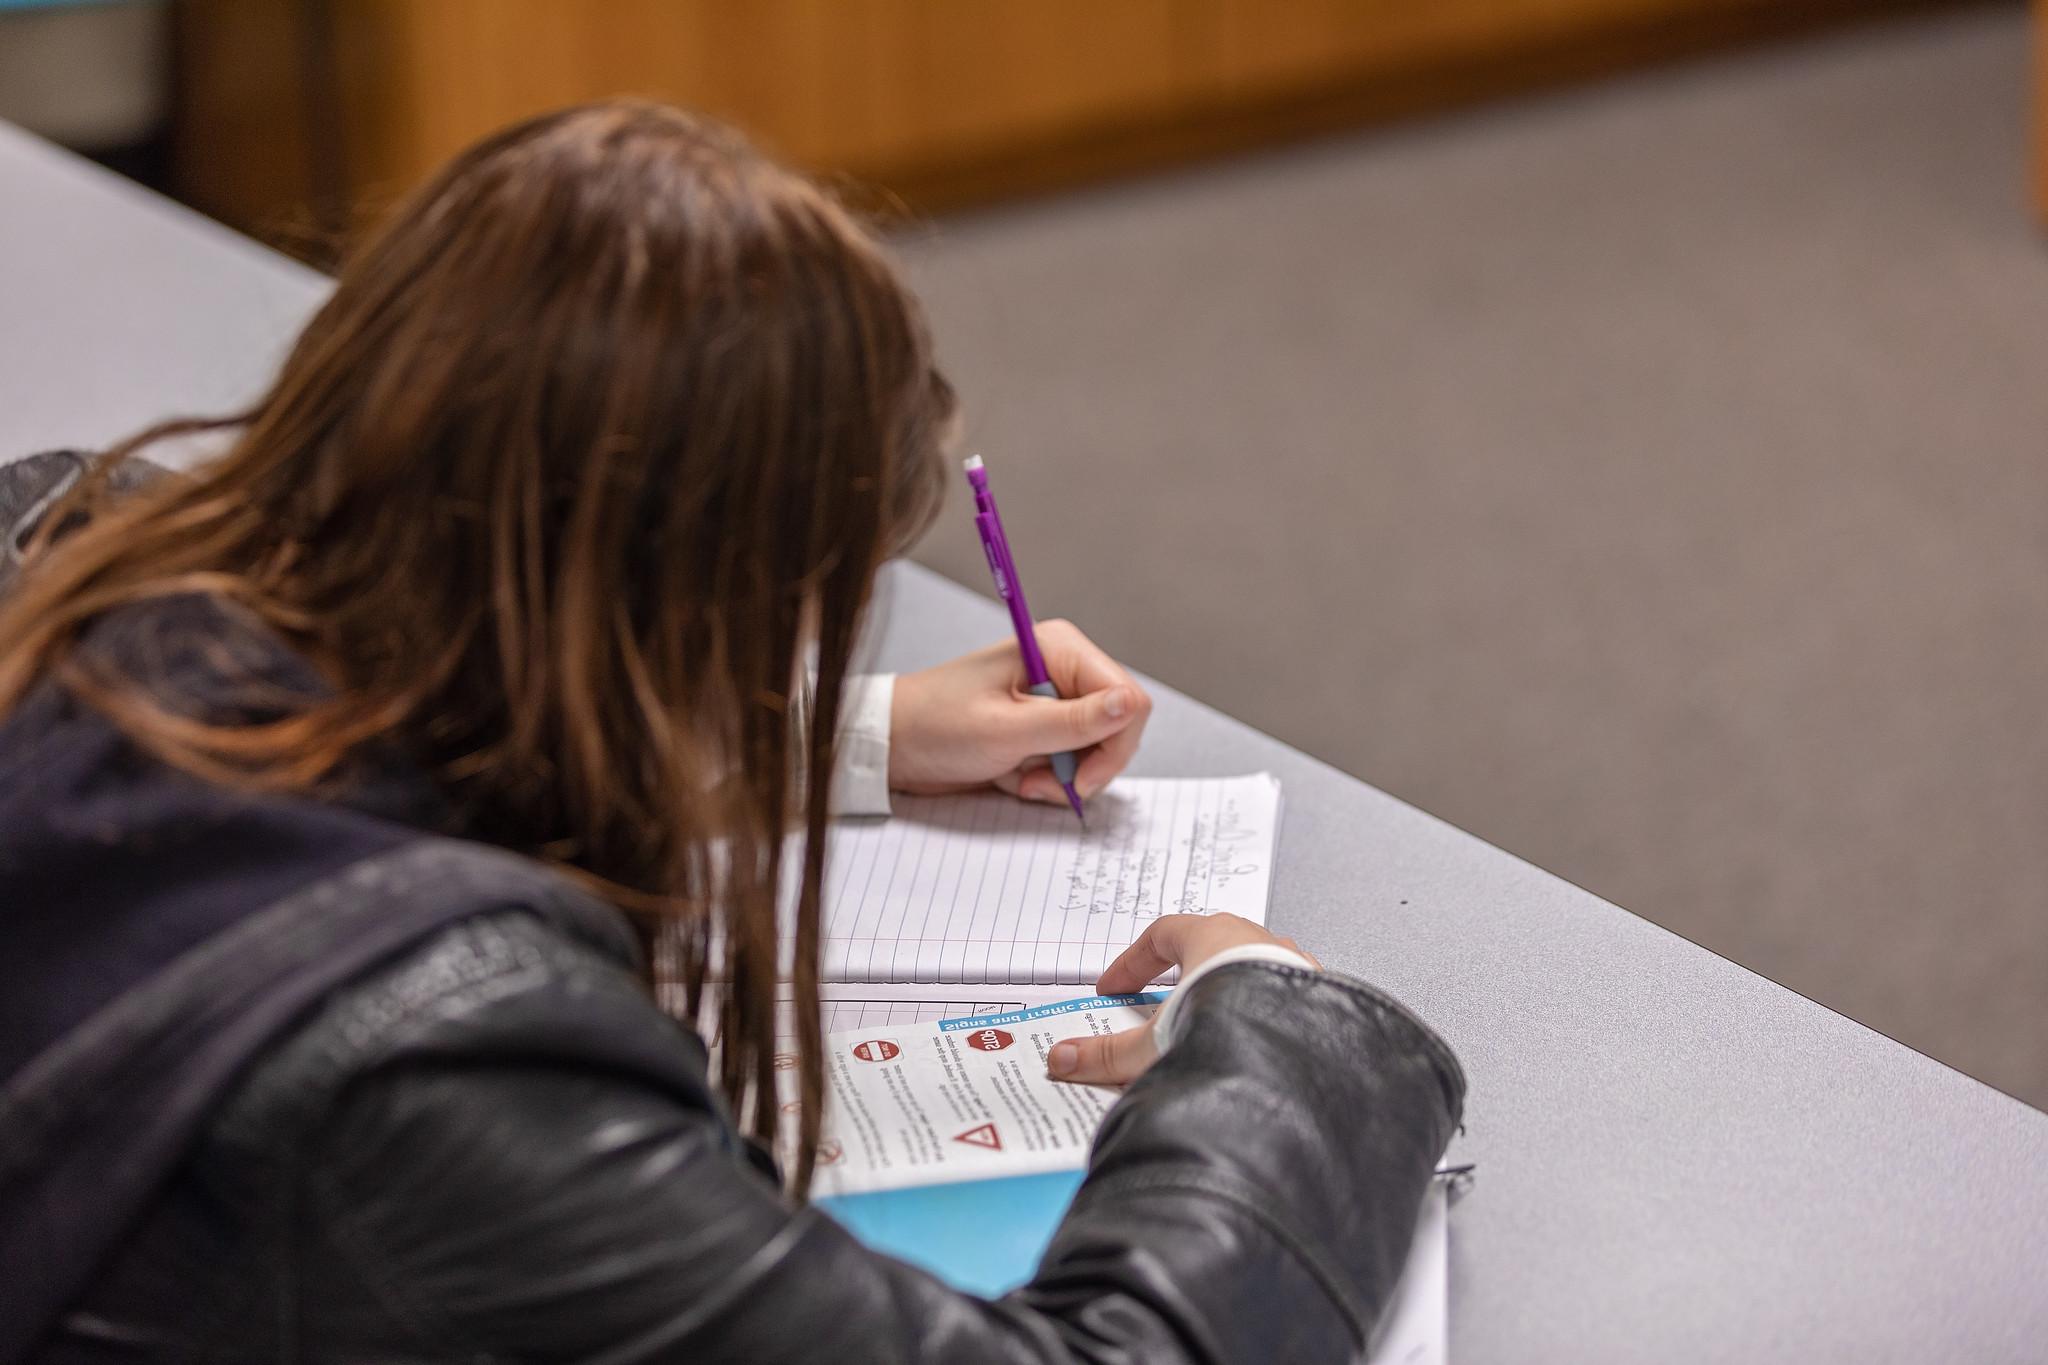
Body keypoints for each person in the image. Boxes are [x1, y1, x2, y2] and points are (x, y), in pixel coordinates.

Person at [0, 102, 1463, 1363]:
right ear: (697, 609)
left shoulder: (58, 551)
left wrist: (844, 736)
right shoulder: (454, 1068)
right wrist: (1285, 1026)